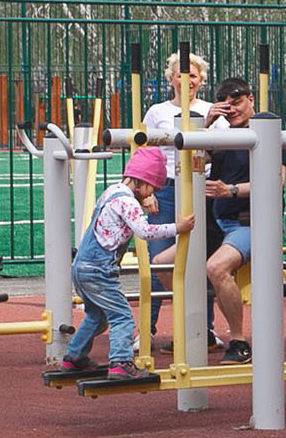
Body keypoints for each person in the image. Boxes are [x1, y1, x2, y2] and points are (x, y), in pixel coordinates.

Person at [57, 146, 194, 379]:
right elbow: (145, 231)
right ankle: (121, 363)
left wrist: (144, 202)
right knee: (122, 317)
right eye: (153, 188)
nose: (154, 194)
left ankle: (74, 357)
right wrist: (178, 228)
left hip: (81, 267)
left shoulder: (112, 192)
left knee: (97, 316)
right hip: (99, 271)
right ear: (143, 182)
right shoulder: (129, 203)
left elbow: (120, 218)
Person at [142, 49, 223, 348]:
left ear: (201, 79)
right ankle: (148, 329)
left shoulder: (213, 109)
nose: (187, 79)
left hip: (203, 187)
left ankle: (204, 328)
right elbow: (146, 153)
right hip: (166, 187)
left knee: (200, 258)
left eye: (193, 74)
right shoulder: (157, 111)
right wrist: (147, 191)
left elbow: (224, 148)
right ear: (171, 79)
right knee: (158, 259)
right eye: (181, 74)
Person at [199, 77, 270, 364]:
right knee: (166, 263)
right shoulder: (221, 137)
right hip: (219, 222)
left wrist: (229, 191)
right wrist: (205, 126)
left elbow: (272, 182)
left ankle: (239, 341)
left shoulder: (265, 130)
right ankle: (199, 328)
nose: (234, 110)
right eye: (227, 106)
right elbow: (190, 160)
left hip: (250, 222)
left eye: (238, 102)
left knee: (215, 267)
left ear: (251, 99)